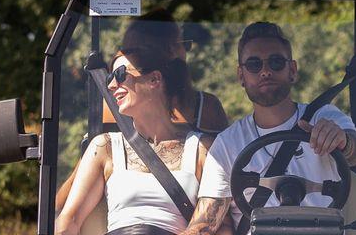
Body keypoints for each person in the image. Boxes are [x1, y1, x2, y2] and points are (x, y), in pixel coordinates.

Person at [166, 22, 356, 235]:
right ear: (241, 75)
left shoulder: (324, 117)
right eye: (254, 64)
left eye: (276, 62)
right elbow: (207, 219)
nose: (265, 71)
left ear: (292, 70)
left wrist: (342, 141)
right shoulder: (228, 144)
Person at [41, 43, 217, 235]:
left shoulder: (202, 148)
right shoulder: (105, 147)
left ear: (154, 79)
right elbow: (69, 219)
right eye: (110, 78)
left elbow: (221, 223)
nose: (111, 85)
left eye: (120, 74)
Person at [53, 11, 226, 214]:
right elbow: (71, 193)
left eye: (130, 53)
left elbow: (223, 180)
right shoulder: (116, 108)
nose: (114, 84)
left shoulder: (206, 109)